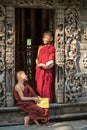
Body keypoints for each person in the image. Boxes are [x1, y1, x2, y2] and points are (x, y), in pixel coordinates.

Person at [35, 31, 55, 103]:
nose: (44, 39)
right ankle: (40, 105)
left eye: (46, 37)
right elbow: (37, 58)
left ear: (51, 39)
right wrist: (38, 64)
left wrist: (45, 66)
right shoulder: (40, 47)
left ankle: (45, 108)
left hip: (47, 70)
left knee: (46, 88)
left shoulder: (52, 48)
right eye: (43, 37)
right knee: (39, 88)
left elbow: (51, 59)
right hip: (39, 70)